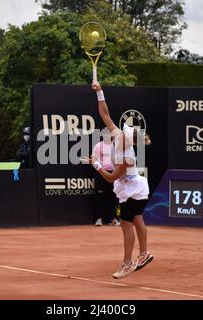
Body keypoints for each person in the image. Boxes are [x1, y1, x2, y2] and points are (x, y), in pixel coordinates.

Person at [82, 80, 153, 280]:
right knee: (137, 219)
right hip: (135, 189)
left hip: (132, 190)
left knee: (126, 224)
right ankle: (144, 253)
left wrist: (95, 164)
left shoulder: (127, 158)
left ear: (127, 141)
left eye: (124, 134)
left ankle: (127, 263)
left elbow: (112, 177)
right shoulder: (118, 135)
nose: (119, 133)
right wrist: (99, 92)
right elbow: (104, 114)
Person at [91, 128, 119, 226]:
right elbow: (93, 160)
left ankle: (114, 219)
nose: (107, 136)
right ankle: (99, 219)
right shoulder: (98, 146)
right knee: (100, 197)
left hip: (114, 173)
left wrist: (116, 170)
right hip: (101, 174)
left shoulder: (115, 146)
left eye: (109, 134)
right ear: (102, 135)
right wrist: (101, 169)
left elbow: (118, 160)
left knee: (115, 197)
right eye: (105, 134)